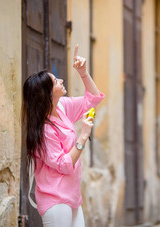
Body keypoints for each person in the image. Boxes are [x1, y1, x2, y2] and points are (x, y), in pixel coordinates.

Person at [22, 44, 104, 227]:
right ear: (47, 94)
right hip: (55, 200)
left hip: (73, 196)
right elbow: (65, 165)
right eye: (55, 81)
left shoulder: (61, 107)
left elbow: (93, 99)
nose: (61, 80)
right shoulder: (43, 131)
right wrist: (83, 136)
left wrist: (83, 72)